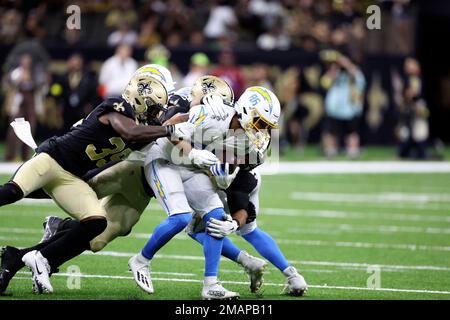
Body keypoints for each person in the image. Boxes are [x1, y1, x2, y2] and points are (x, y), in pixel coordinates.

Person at [0, 76, 233, 295]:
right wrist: (190, 121)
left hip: (139, 189)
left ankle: (24, 255)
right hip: (123, 170)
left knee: (97, 236)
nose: (158, 111)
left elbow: (163, 129)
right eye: (155, 106)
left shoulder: (210, 118)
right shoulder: (129, 107)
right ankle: (56, 236)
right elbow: (148, 130)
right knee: (19, 191)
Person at [128, 86, 280, 300]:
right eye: (260, 123)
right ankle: (141, 260)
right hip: (164, 158)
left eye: (266, 126)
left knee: (216, 217)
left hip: (192, 167)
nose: (262, 131)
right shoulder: (215, 113)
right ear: (246, 111)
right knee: (181, 217)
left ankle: (211, 285)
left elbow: (240, 181)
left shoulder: (248, 144)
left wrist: (234, 220)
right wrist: (193, 151)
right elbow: (169, 125)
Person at [187, 168, 308, 296]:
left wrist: (233, 224)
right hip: (243, 176)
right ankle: (293, 276)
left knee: (197, 229)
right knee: (250, 230)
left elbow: (241, 211)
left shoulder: (237, 181)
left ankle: (243, 264)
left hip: (229, 182)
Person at [320, 50, 365, 159]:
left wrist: (347, 65)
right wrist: (334, 69)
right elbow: (324, 83)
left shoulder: (354, 72)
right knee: (331, 132)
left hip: (349, 108)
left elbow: (360, 81)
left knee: (351, 132)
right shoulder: (334, 72)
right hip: (334, 109)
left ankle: (353, 151)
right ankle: (330, 152)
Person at [55, 53, 98, 131]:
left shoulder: (89, 77)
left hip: (82, 109)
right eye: (73, 61)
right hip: (67, 109)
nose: (75, 64)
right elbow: (57, 91)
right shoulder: (63, 77)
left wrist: (90, 105)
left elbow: (94, 92)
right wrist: (59, 104)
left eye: (77, 61)